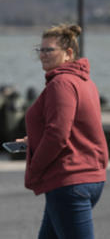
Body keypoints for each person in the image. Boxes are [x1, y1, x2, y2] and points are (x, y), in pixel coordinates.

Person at [24, 24, 107, 239]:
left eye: (48, 50)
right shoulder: (84, 81)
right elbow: (77, 129)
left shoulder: (61, 84)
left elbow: (57, 135)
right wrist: (32, 139)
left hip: (70, 181)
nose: (42, 55)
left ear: (69, 53)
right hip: (87, 177)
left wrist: (35, 169)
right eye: (40, 50)